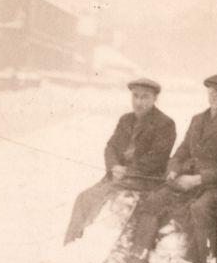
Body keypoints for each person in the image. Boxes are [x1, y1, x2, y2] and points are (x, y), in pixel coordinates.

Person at [123, 73, 217, 263]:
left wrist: (197, 180)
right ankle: (137, 260)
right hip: (188, 180)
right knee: (153, 200)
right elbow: (181, 152)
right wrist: (173, 170)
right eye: (211, 90)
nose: (214, 94)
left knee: (200, 209)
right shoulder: (198, 119)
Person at [64, 78, 176, 244]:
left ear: (154, 99)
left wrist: (127, 171)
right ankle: (71, 244)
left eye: (145, 97)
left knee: (112, 205)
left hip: (144, 179)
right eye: (135, 96)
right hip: (119, 176)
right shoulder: (126, 120)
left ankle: (98, 249)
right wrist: (114, 166)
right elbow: (111, 147)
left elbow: (157, 158)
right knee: (84, 198)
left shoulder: (165, 124)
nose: (139, 102)